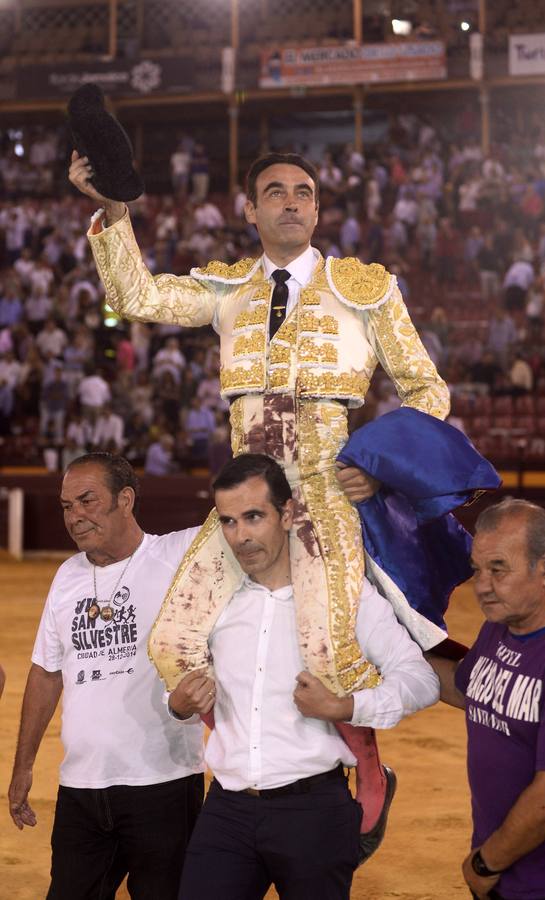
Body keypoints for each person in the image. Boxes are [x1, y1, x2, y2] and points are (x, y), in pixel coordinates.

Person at [69, 149, 450, 849]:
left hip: (327, 495)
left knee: (328, 646)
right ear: (249, 210)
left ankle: (368, 769)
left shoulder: (366, 289)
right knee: (175, 639)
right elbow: (137, 297)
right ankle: (244, 759)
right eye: (274, 192)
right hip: (246, 497)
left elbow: (427, 389)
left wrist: (381, 466)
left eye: (303, 192)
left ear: (317, 208)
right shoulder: (229, 290)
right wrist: (115, 212)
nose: (291, 202)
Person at [169, 453, 440, 899]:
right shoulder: (212, 600)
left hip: (314, 810)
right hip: (227, 809)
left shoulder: (346, 598)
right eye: (229, 522)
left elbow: (420, 679)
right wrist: (177, 707)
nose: (241, 536)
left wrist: (345, 707)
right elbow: (177, 678)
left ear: (288, 513)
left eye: (253, 517)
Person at [8, 453, 204, 900]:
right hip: (81, 788)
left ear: (126, 499)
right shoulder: (66, 576)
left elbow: (248, 509)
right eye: (66, 506)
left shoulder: (178, 554)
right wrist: (23, 768)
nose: (75, 516)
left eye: (87, 501)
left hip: (163, 784)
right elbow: (45, 673)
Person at [427, 499, 545, 900]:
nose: (482, 585)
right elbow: (466, 689)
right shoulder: (502, 625)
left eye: (499, 569)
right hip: (510, 873)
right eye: (478, 569)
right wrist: (385, 649)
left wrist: (485, 864)